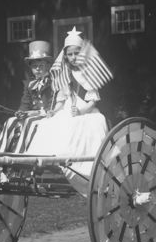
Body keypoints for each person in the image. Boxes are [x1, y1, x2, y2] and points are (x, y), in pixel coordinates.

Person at [25, 28, 112, 194]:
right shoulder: (65, 73)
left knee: (90, 124)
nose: (73, 58)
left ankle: (85, 167)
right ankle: (51, 162)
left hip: (86, 111)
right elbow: (62, 99)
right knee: (51, 124)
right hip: (68, 108)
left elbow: (93, 100)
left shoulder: (88, 73)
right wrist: (54, 111)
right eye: (70, 54)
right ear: (65, 56)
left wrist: (82, 110)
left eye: (76, 54)